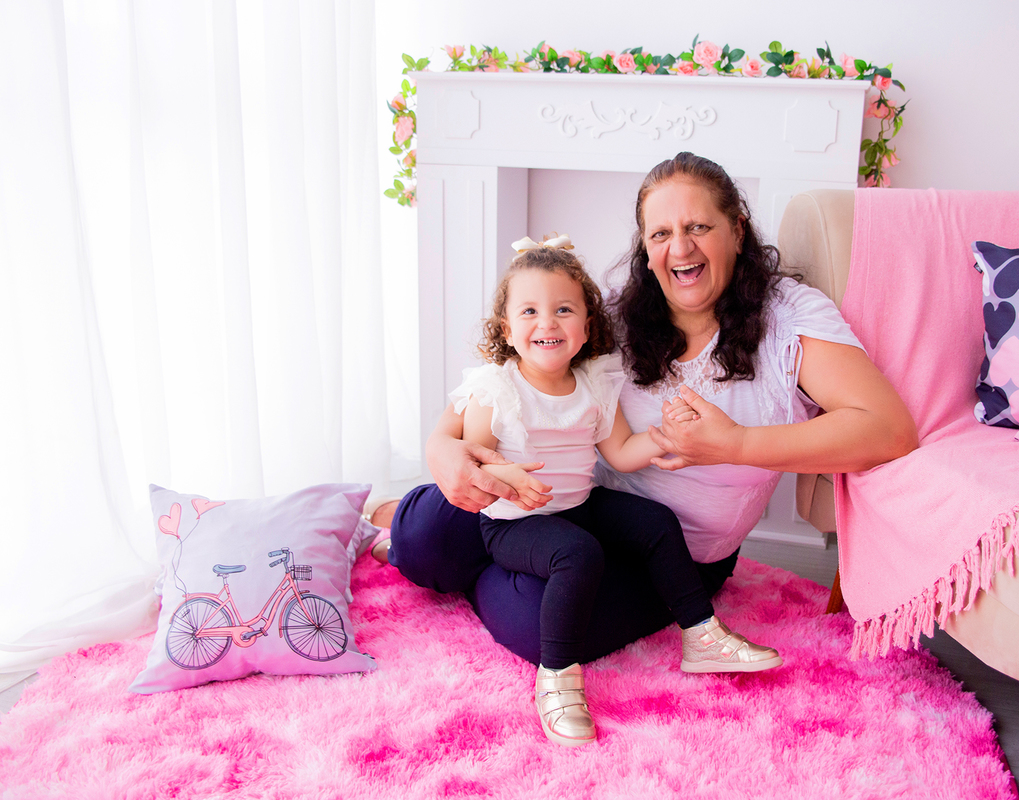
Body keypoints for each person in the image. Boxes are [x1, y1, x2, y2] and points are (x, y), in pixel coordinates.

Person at [367, 152, 917, 687]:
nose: (680, 247)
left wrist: (735, 443)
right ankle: (412, 521)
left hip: (668, 554)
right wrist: (441, 444)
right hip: (559, 500)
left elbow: (887, 429)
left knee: (547, 628)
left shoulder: (788, 320)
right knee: (425, 536)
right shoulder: (609, 319)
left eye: (699, 225)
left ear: (738, 231)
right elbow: (504, 376)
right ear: (647, 250)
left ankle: (484, 563)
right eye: (660, 234)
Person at [445, 236, 779, 747]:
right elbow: (479, 465)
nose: (547, 323)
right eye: (529, 311)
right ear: (507, 329)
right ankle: (557, 678)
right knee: (577, 554)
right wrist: (510, 478)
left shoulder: (594, 381)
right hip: (514, 520)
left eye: (563, 310)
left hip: (578, 504)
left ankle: (702, 635)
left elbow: (620, 451)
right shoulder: (496, 389)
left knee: (655, 521)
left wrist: (668, 436)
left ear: (586, 326)